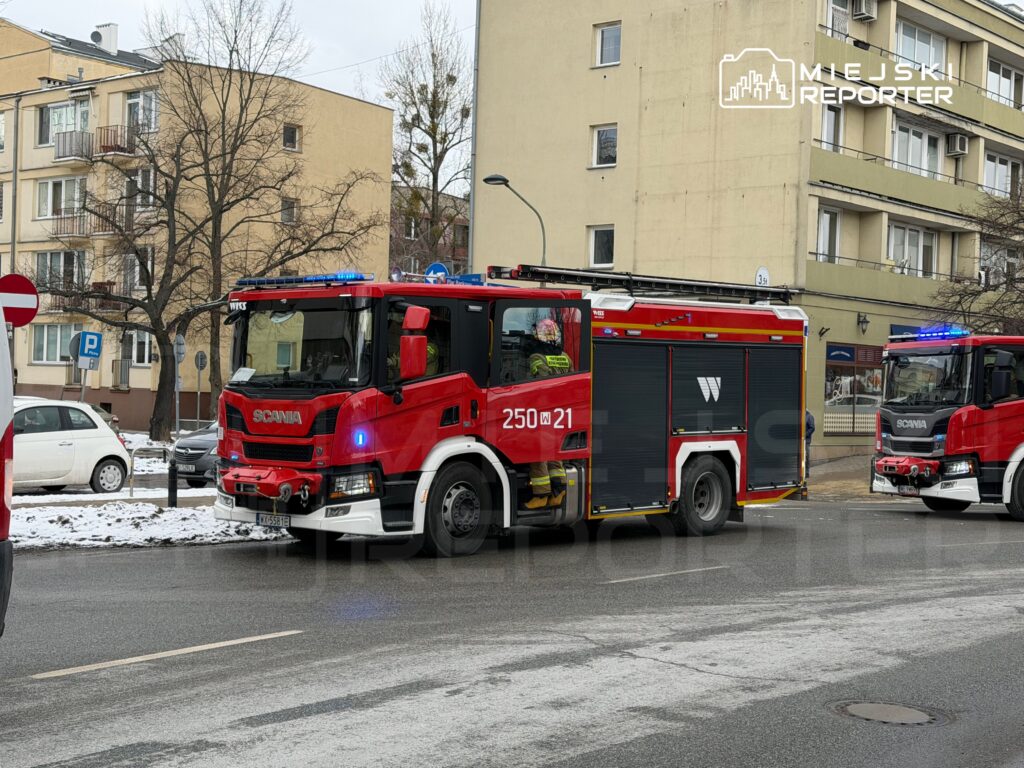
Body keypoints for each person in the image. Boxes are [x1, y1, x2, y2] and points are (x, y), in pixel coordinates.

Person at [525, 318, 573, 510]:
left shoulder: (536, 358)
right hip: (561, 411)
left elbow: (539, 382)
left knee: (538, 453)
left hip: (542, 410)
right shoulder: (565, 357)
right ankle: (558, 489)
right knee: (554, 452)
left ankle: (541, 494)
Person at [805, 409, 815, 479]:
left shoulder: (809, 416)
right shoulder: (799, 416)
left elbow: (812, 428)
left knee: (806, 456)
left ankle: (807, 472)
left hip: (806, 441)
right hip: (798, 441)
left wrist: (804, 435)